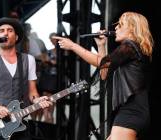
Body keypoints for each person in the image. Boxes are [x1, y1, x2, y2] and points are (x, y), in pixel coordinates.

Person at [53, 11, 154, 140]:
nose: (116, 28)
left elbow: (101, 63)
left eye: (121, 25)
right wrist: (101, 46)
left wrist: (73, 46)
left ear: (132, 29)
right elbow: (104, 73)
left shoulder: (130, 46)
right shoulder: (129, 50)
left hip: (132, 111)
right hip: (130, 111)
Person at [0, 17, 52, 139]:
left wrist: (37, 100)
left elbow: (32, 93)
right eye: (2, 30)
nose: (5, 33)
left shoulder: (28, 60)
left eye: (10, 30)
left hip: (20, 124)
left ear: (16, 38)